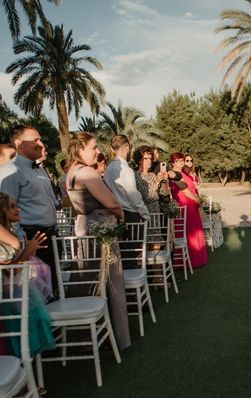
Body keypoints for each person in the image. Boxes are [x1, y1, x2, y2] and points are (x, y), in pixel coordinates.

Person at [65, 132, 131, 351]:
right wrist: (121, 214)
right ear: (80, 148)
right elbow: (111, 202)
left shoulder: (70, 172)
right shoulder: (87, 172)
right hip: (101, 231)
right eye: (93, 147)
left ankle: (84, 337)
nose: (97, 152)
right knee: (113, 280)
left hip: (84, 229)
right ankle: (118, 337)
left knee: (87, 279)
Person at [0, 125, 60, 295]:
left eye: (40, 139)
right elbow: (6, 209)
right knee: (36, 289)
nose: (41, 143)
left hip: (49, 234)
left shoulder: (40, 169)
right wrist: (22, 242)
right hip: (31, 236)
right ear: (20, 144)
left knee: (52, 285)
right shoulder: (11, 171)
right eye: (35, 140)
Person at [0, 193, 55, 357]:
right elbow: (10, 271)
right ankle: (22, 367)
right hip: (9, 295)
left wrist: (29, 250)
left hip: (17, 289)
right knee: (20, 332)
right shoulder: (8, 242)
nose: (17, 209)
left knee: (29, 327)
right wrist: (27, 251)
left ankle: (27, 369)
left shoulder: (11, 233)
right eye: (11, 207)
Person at [169, 152, 208, 269]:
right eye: (178, 161)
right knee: (187, 232)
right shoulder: (173, 174)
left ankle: (196, 258)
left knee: (194, 231)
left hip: (191, 206)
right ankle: (183, 262)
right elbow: (184, 190)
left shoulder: (184, 173)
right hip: (183, 206)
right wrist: (196, 200)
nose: (181, 162)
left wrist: (196, 199)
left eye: (182, 160)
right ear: (172, 163)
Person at [103, 135, 150, 223]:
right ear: (127, 146)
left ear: (112, 149)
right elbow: (133, 195)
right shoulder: (126, 170)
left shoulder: (108, 169)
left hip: (112, 214)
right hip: (129, 215)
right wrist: (145, 215)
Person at [134, 145, 164, 214]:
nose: (149, 161)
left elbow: (162, 194)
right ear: (139, 160)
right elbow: (148, 197)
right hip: (145, 214)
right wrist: (157, 182)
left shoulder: (152, 175)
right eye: (145, 158)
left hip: (156, 213)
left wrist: (164, 181)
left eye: (150, 158)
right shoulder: (137, 176)